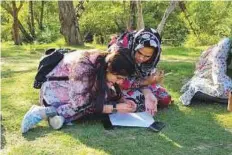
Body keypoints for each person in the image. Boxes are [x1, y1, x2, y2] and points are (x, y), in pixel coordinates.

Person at [21, 49, 137, 133]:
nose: (121, 82)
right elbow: (82, 105)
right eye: (119, 78)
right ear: (109, 69)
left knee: (103, 100)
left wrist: (123, 100)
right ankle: (43, 112)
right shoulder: (84, 67)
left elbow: (101, 90)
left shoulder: (104, 62)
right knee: (85, 108)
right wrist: (115, 107)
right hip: (53, 91)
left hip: (70, 90)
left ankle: (58, 118)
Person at [108, 28, 172, 116]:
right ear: (135, 45)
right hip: (118, 85)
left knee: (165, 98)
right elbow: (121, 82)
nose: (141, 58)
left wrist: (148, 92)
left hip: (140, 84)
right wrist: (147, 82)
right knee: (133, 104)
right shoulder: (120, 50)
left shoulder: (153, 58)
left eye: (147, 56)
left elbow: (146, 76)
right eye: (139, 53)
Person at [180, 38, 232, 111]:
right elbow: (218, 75)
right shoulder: (219, 58)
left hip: (221, 80)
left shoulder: (220, 58)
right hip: (220, 81)